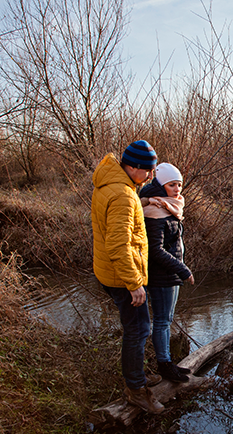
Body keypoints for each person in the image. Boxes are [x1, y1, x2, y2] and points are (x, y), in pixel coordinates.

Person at [91, 140, 164, 413]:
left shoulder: (111, 184)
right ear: (132, 167)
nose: (151, 176)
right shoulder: (122, 195)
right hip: (122, 275)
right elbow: (118, 244)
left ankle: (138, 376)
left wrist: (140, 200)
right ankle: (136, 390)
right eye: (148, 171)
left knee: (136, 328)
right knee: (138, 330)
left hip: (107, 271)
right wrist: (134, 283)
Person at [139, 162, 194, 383]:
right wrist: (182, 269)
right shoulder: (154, 211)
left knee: (166, 320)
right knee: (162, 321)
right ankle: (165, 366)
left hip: (170, 274)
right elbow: (155, 250)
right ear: (161, 186)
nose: (177, 189)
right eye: (172, 185)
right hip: (162, 275)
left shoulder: (169, 206)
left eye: (179, 185)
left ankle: (168, 363)